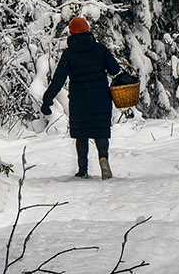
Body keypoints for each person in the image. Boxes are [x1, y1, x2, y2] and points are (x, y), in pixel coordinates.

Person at [41, 16, 123, 179]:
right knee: (101, 132)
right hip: (100, 98)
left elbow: (58, 80)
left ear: (71, 33)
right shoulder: (100, 50)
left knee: (82, 134)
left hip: (79, 100)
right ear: (88, 30)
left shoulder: (69, 54)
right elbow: (114, 70)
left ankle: (82, 169)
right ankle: (103, 158)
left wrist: (47, 100)